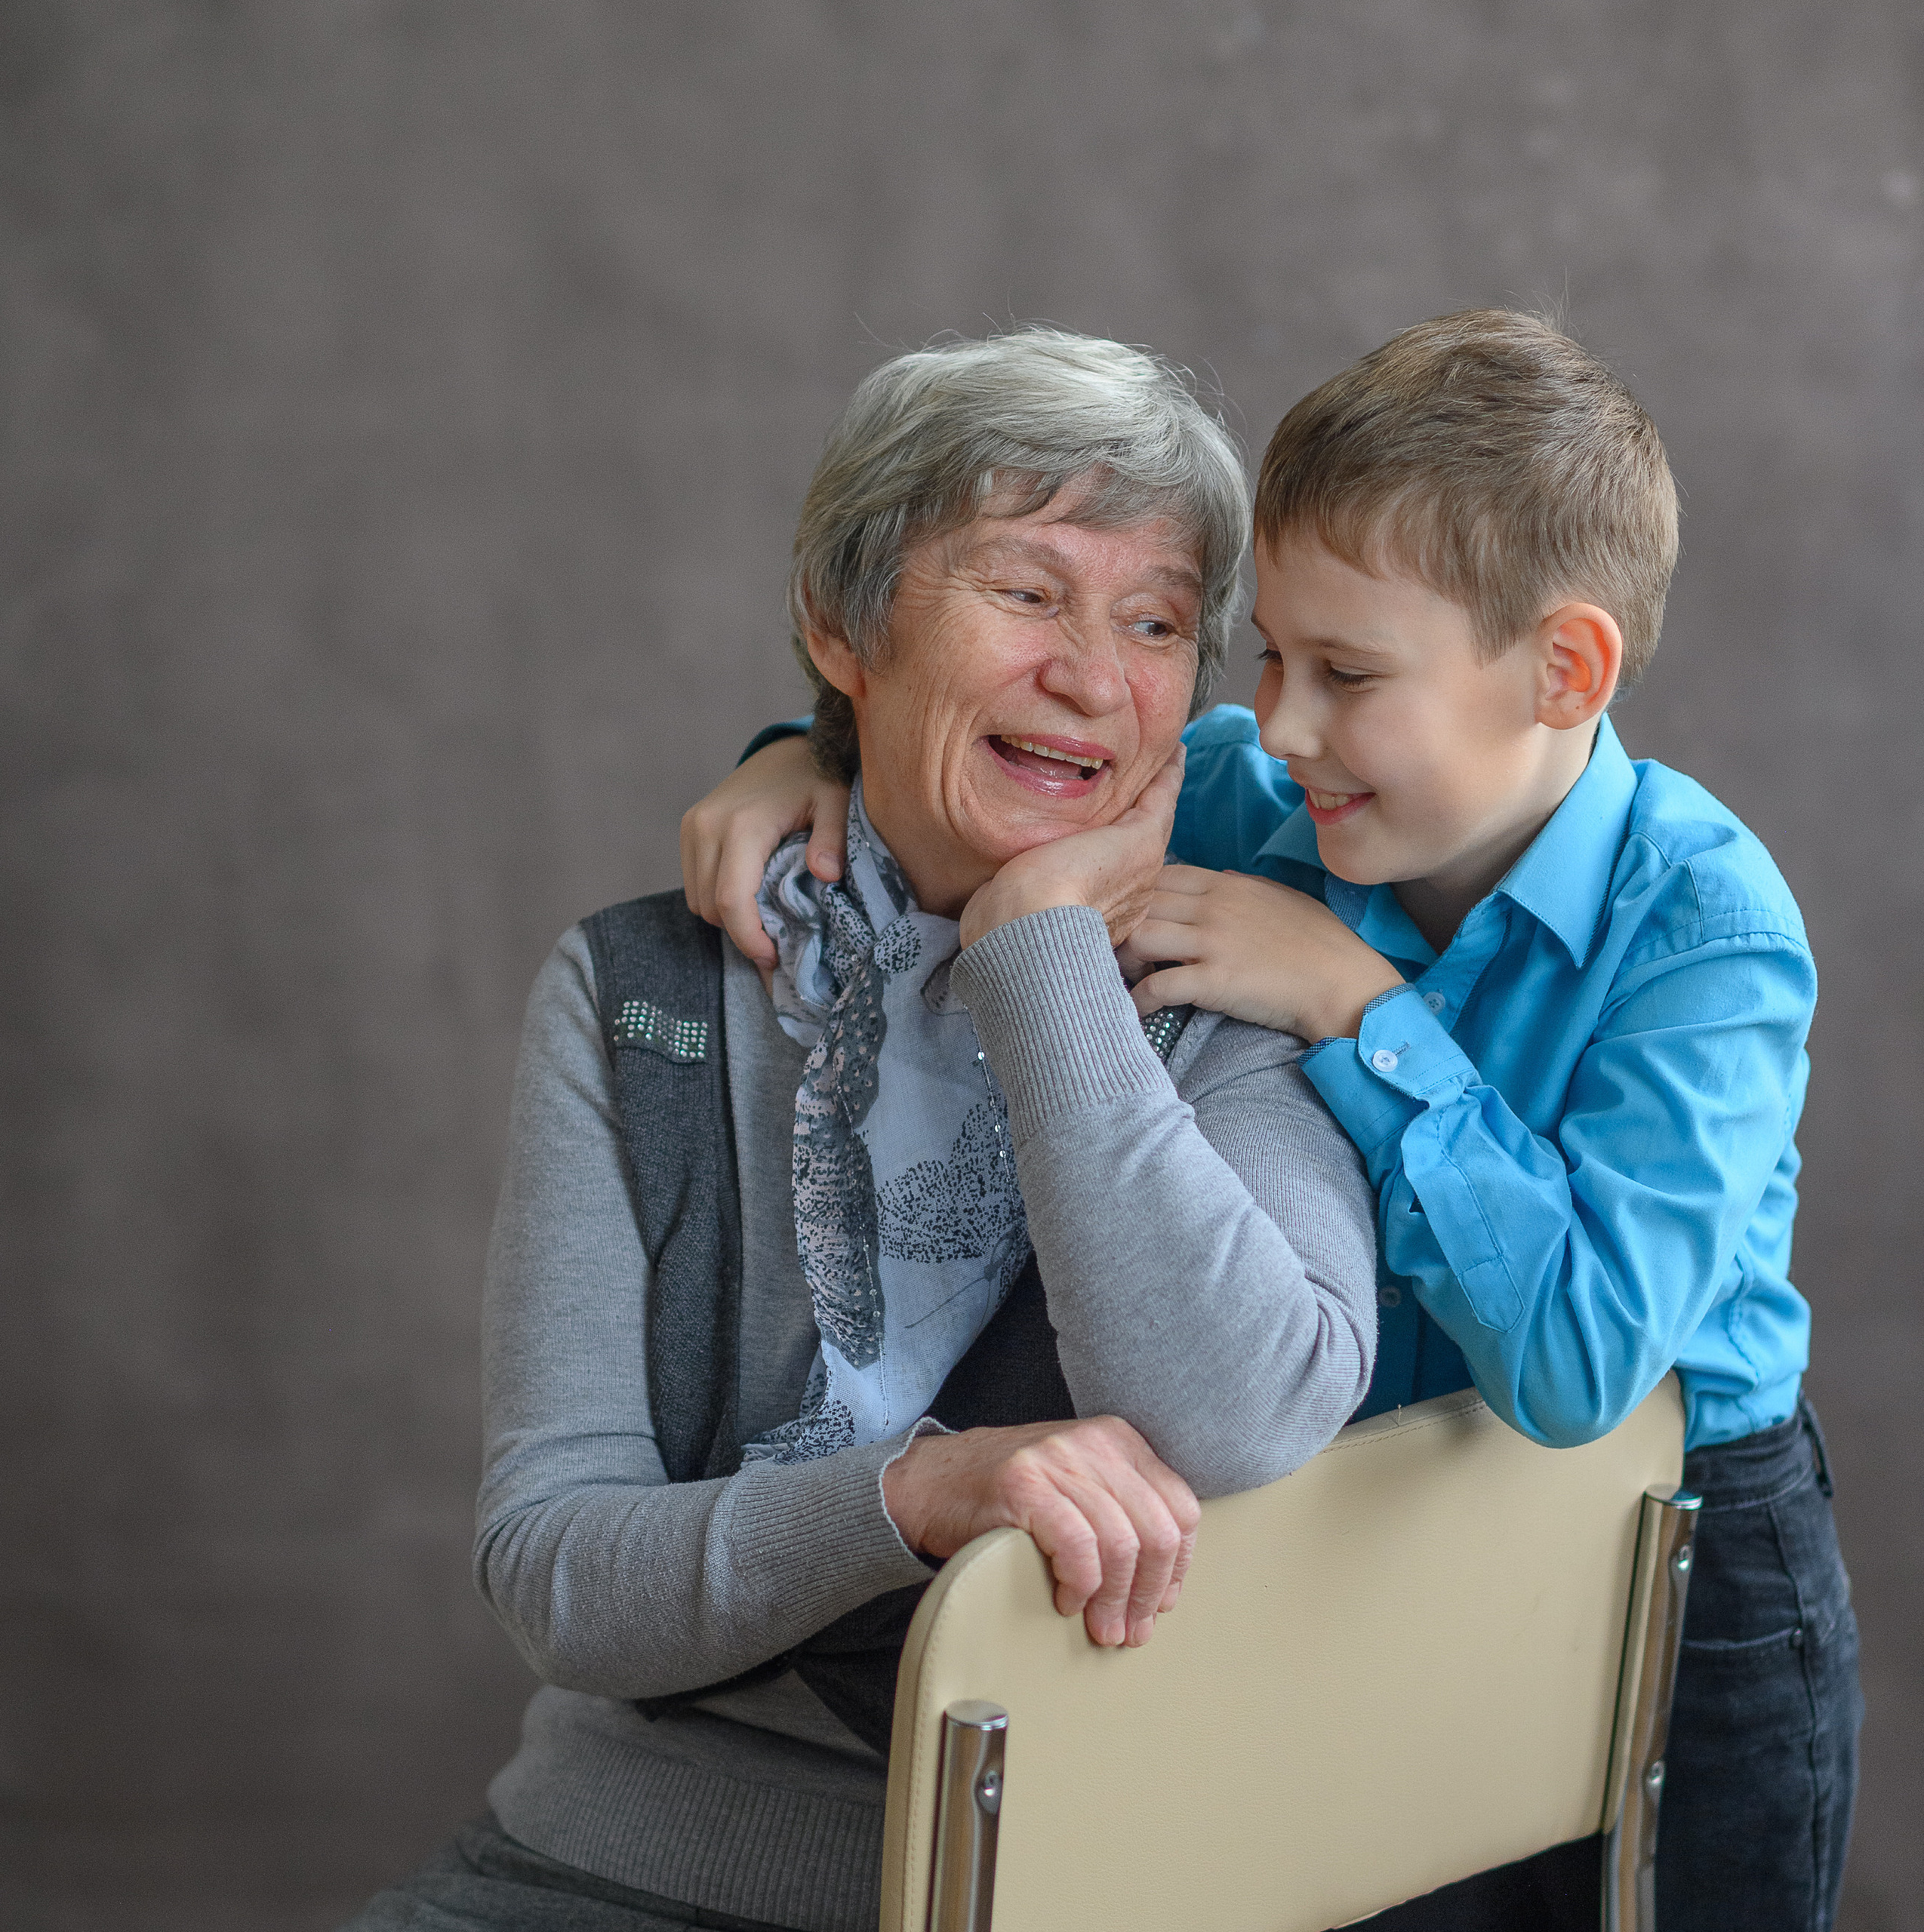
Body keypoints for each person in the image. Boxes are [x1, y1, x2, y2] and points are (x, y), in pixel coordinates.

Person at [684, 312, 1863, 1932]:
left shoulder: (1704, 931)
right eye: (1268, 658)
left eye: (1347, 673)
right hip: (1360, 1513)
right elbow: (1012, 767)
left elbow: (1582, 1366)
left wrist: (1360, 1012)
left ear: (1561, 669)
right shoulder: (1270, 791)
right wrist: (790, 765)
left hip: (1669, 1554)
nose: (1281, 721)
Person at [340, 329, 1379, 1932]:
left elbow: (1240, 1416)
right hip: (608, 1865)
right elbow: (557, 1569)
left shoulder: (1229, 990)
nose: (1094, 675)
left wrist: (1037, 947)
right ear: (843, 625)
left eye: (1156, 621)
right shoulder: (640, 994)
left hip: (1060, 1885)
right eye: (1024, 591)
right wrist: (917, 1490)